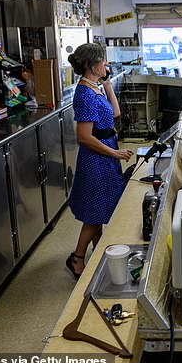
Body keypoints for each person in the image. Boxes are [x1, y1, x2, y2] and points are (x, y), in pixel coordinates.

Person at [65, 43, 134, 280]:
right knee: (94, 214)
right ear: (93, 65)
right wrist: (115, 154)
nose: (106, 64)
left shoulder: (95, 87)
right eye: (103, 61)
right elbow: (84, 137)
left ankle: (98, 253)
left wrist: (107, 86)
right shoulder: (84, 94)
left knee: (102, 208)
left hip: (106, 153)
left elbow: (115, 114)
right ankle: (77, 258)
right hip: (96, 159)